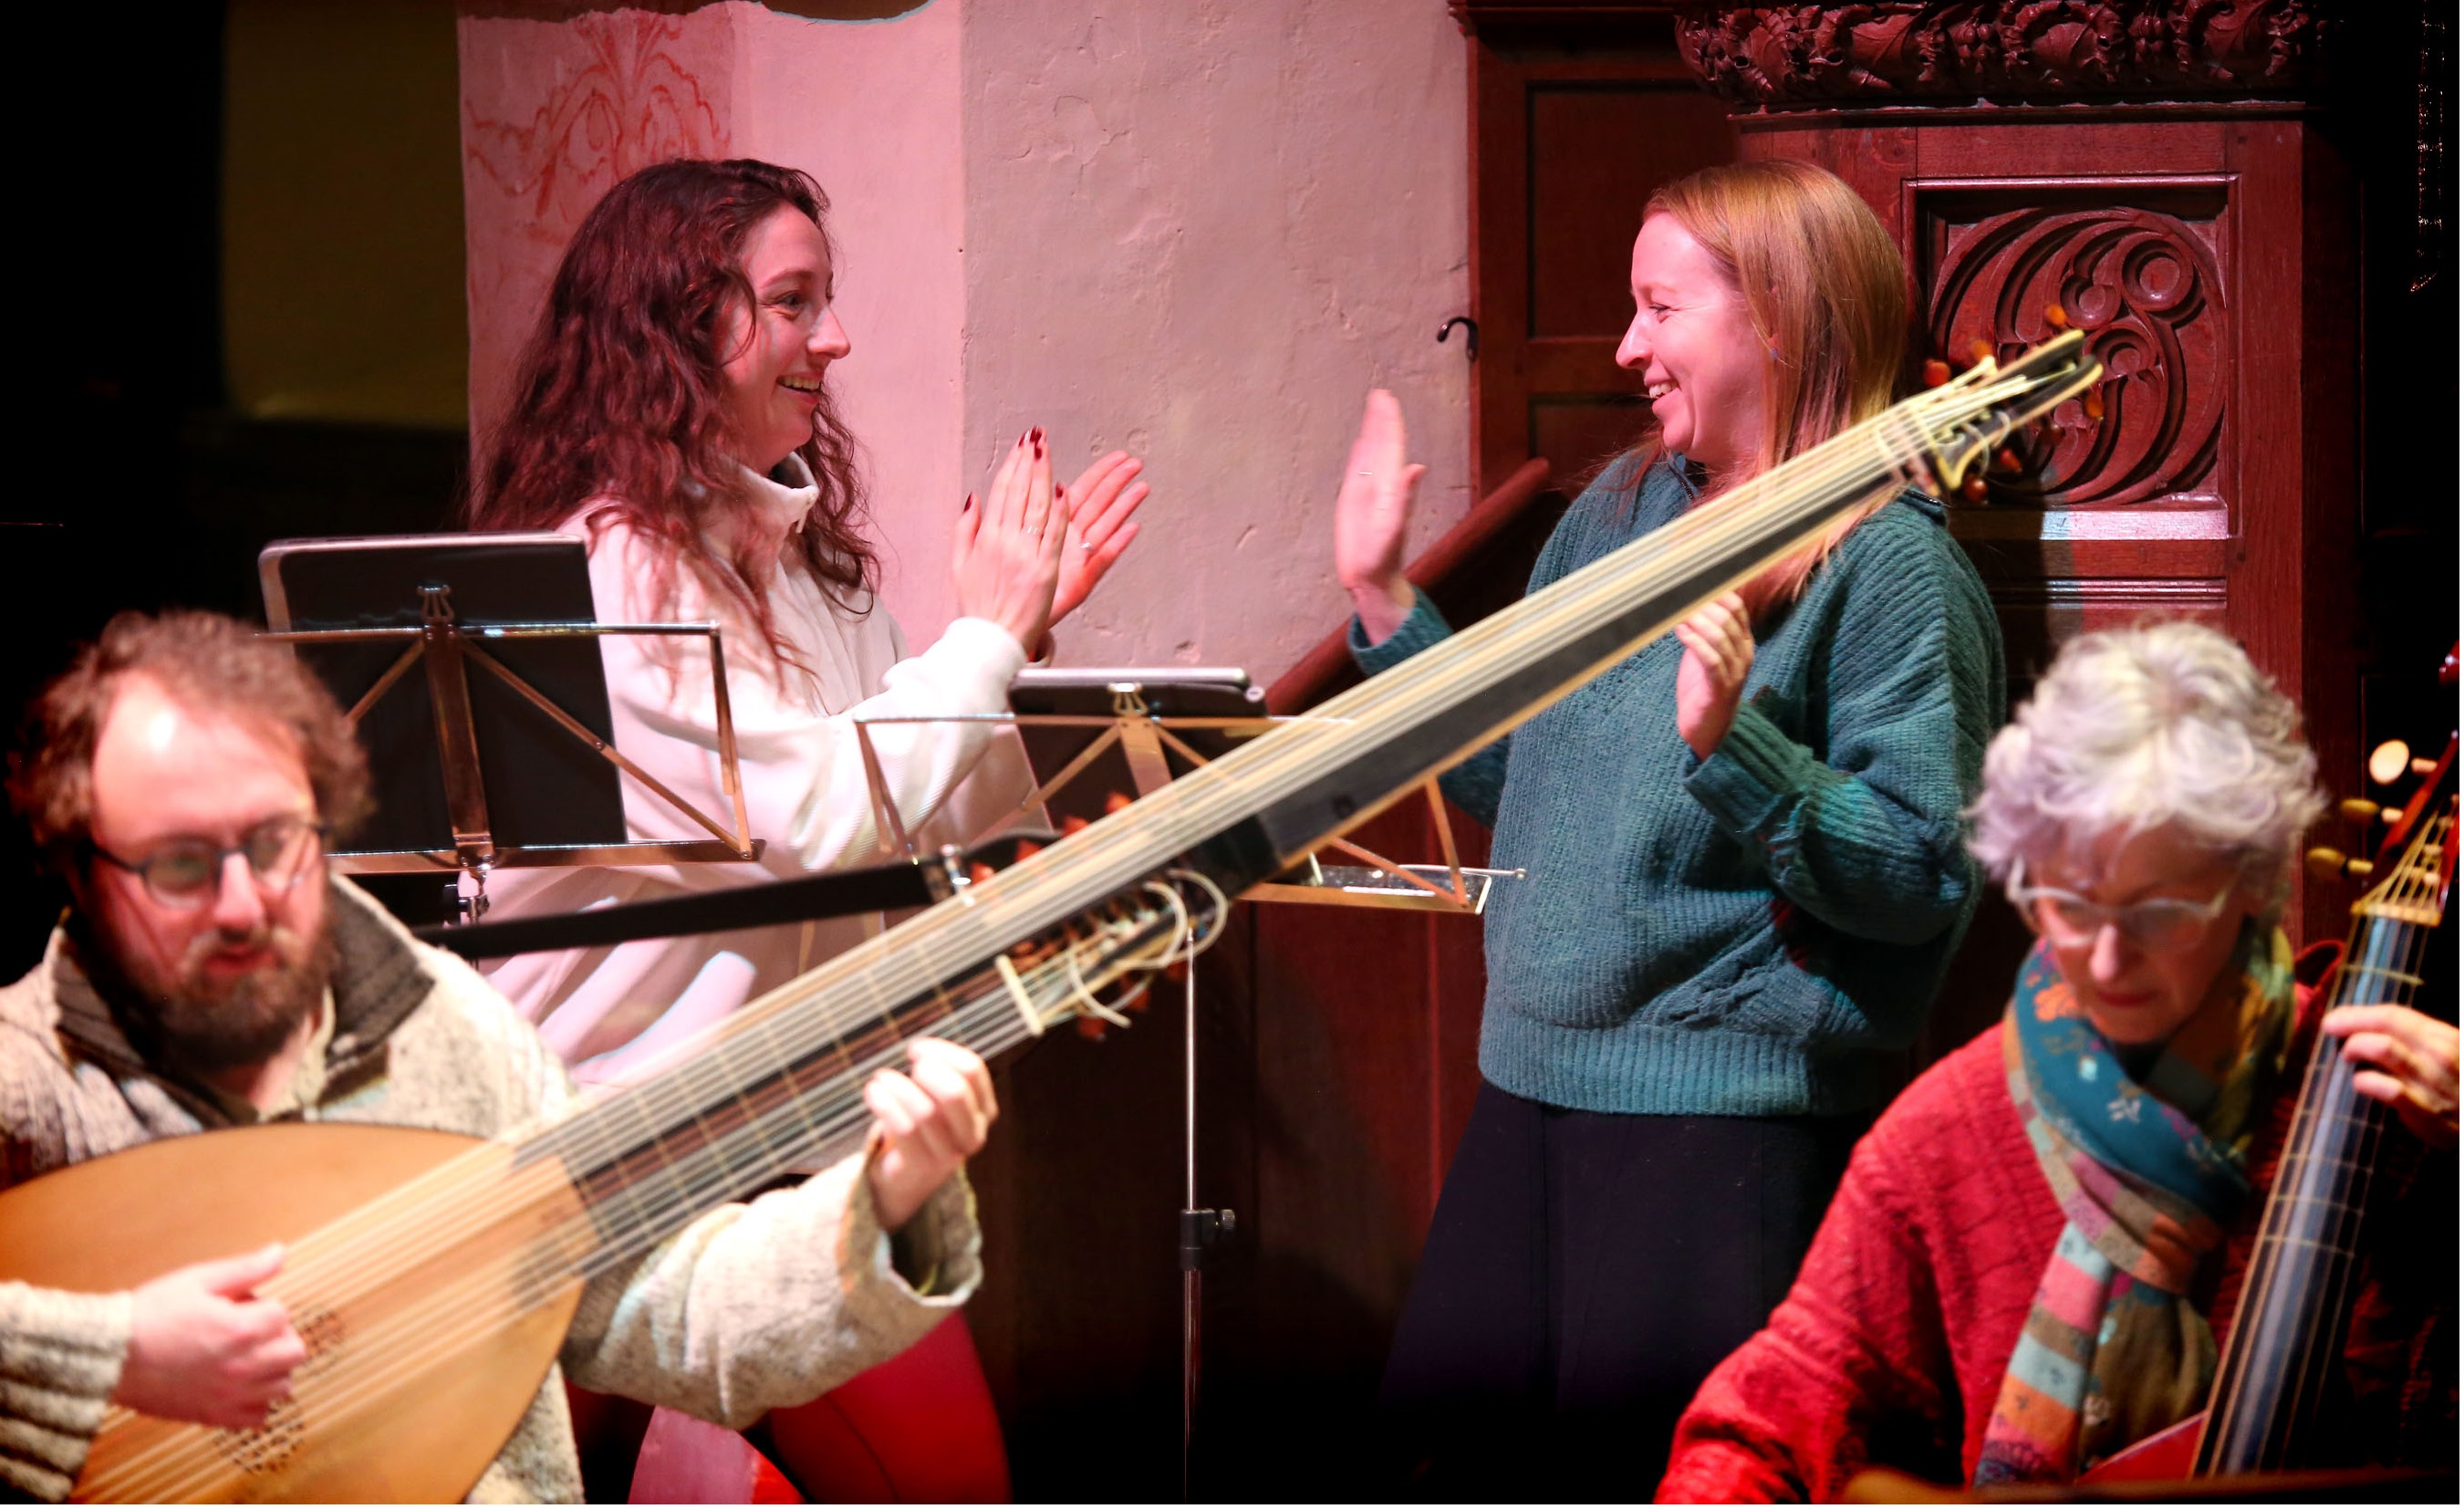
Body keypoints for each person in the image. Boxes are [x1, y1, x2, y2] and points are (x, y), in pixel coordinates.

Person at [1333, 160, 2005, 1493]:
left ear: (1780, 317)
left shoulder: (1890, 563)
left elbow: (1923, 874)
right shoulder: (1616, 513)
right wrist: (1383, 606)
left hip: (1722, 1136)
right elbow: (1526, 782)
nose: (1627, 347)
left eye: (1659, 307)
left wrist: (1734, 745)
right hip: (1530, 1098)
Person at [0, 611, 998, 1502]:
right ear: (80, 866)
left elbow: (656, 1302)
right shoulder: (28, 1080)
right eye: (180, 865)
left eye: (273, 845)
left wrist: (886, 1196)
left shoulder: (449, 1030)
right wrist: (108, 1356)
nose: (240, 903)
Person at [1658, 621, 2459, 1500]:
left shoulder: (2387, 1107)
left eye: (2158, 913)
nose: (2106, 962)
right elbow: (1779, 1409)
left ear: (2255, 884)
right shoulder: (1945, 1132)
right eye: (2069, 906)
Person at [463, 157, 1146, 1084]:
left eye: (826, 302)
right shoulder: (614, 566)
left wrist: (1014, 641)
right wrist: (983, 639)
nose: (836, 339)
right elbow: (816, 830)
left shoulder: (810, 566)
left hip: (798, 1106)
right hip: (620, 1114)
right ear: (680, 326)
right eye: (793, 302)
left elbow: (921, 835)